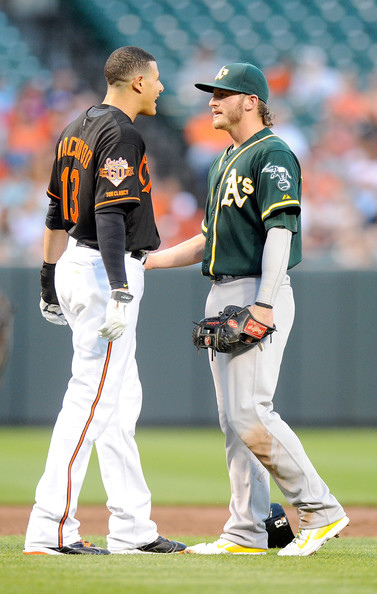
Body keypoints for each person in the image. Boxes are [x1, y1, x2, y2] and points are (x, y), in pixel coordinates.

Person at [146, 62, 349, 556]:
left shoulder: (274, 153)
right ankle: (247, 531)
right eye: (212, 93)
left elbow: (281, 231)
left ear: (251, 101)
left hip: (260, 288)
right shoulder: (222, 161)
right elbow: (206, 241)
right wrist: (150, 262)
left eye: (223, 93)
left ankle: (321, 511)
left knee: (250, 413)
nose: (213, 101)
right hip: (224, 289)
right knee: (233, 421)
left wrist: (264, 301)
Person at [24, 46, 186, 555]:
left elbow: (55, 212)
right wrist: (119, 287)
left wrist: (48, 279)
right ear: (137, 81)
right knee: (90, 401)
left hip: (77, 262)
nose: (160, 87)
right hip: (103, 270)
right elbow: (112, 217)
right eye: (155, 79)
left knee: (119, 404)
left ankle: (132, 529)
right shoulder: (122, 132)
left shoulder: (76, 127)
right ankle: (50, 528)